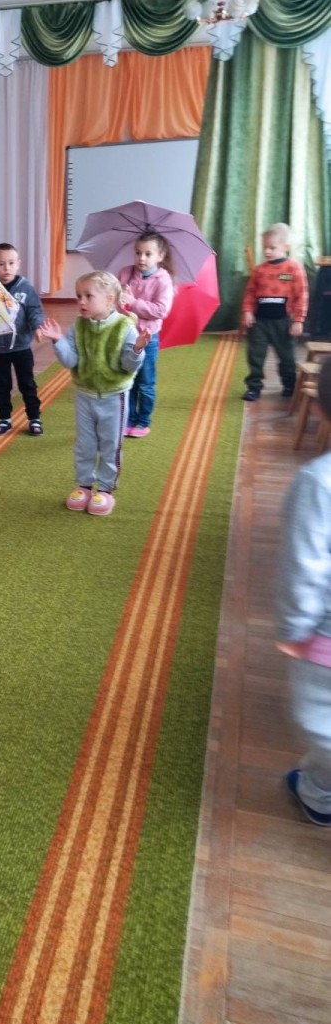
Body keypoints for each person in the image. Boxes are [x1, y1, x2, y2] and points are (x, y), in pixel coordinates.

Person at [38, 271, 149, 517]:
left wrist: (137, 350)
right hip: (85, 395)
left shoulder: (124, 327)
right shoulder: (79, 326)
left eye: (89, 296)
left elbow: (128, 366)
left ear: (109, 299)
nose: (82, 301)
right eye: (79, 296)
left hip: (114, 397)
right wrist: (58, 340)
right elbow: (70, 361)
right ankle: (84, 485)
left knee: (110, 445)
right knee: (85, 444)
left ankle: (106, 489)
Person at [277, 360, 331, 825]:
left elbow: (303, 565)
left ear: (320, 409)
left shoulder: (319, 482)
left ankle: (318, 796)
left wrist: (295, 629)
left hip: (325, 640)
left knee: (324, 724)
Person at [241, 222, 308, 402]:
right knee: (255, 355)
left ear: (285, 247)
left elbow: (302, 295)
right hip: (259, 322)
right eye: (265, 247)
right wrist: (247, 311)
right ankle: (254, 386)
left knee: (287, 356)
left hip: (283, 322)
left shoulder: (293, 269)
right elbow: (250, 292)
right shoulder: (260, 270)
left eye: (272, 248)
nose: (267, 251)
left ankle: (289, 384)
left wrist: (298, 320)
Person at [117, 231, 175, 437]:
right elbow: (115, 303)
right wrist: (119, 301)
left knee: (145, 382)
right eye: (138, 252)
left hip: (148, 339)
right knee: (128, 380)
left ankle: (143, 421)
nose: (141, 258)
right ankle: (129, 418)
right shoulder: (125, 273)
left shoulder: (163, 279)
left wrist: (133, 303)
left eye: (148, 254)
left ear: (160, 256)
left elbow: (161, 310)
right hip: (126, 336)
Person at [0, 243, 45, 436]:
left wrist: (37, 326)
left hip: (21, 346)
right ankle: (4, 418)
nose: (7, 268)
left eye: (11, 263)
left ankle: (34, 417)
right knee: (2, 385)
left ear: (18, 263)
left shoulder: (26, 288)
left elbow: (35, 310)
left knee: (27, 383)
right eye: (1, 264)